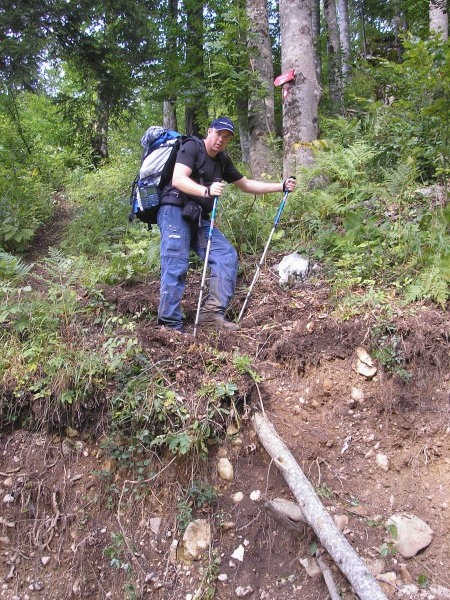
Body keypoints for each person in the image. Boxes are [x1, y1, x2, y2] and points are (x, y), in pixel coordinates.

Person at [157, 116, 296, 332]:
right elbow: (178, 179)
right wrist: (206, 191)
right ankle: (170, 325)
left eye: (226, 137)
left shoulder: (222, 160)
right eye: (218, 133)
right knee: (176, 261)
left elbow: (246, 184)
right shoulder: (191, 146)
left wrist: (280, 186)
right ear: (209, 131)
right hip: (174, 210)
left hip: (197, 216)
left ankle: (211, 316)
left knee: (225, 255)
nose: (221, 139)